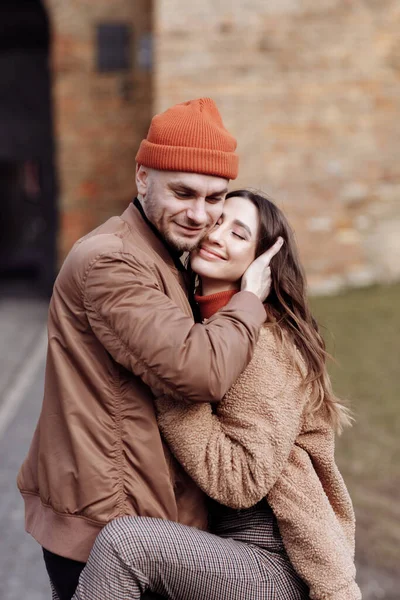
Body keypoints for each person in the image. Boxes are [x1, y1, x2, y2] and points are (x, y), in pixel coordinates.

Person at [17, 99, 281, 600]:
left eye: (214, 197)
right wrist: (249, 300)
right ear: (143, 178)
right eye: (183, 192)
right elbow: (197, 370)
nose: (200, 214)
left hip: (140, 523)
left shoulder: (163, 255)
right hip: (106, 532)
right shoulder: (112, 261)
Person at [72, 191, 361, 600]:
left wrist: (169, 381)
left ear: (261, 264)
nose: (217, 235)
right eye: (217, 221)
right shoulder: (202, 327)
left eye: (239, 234)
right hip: (226, 546)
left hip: (272, 563)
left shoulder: (262, 346)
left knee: (126, 545)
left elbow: (241, 482)